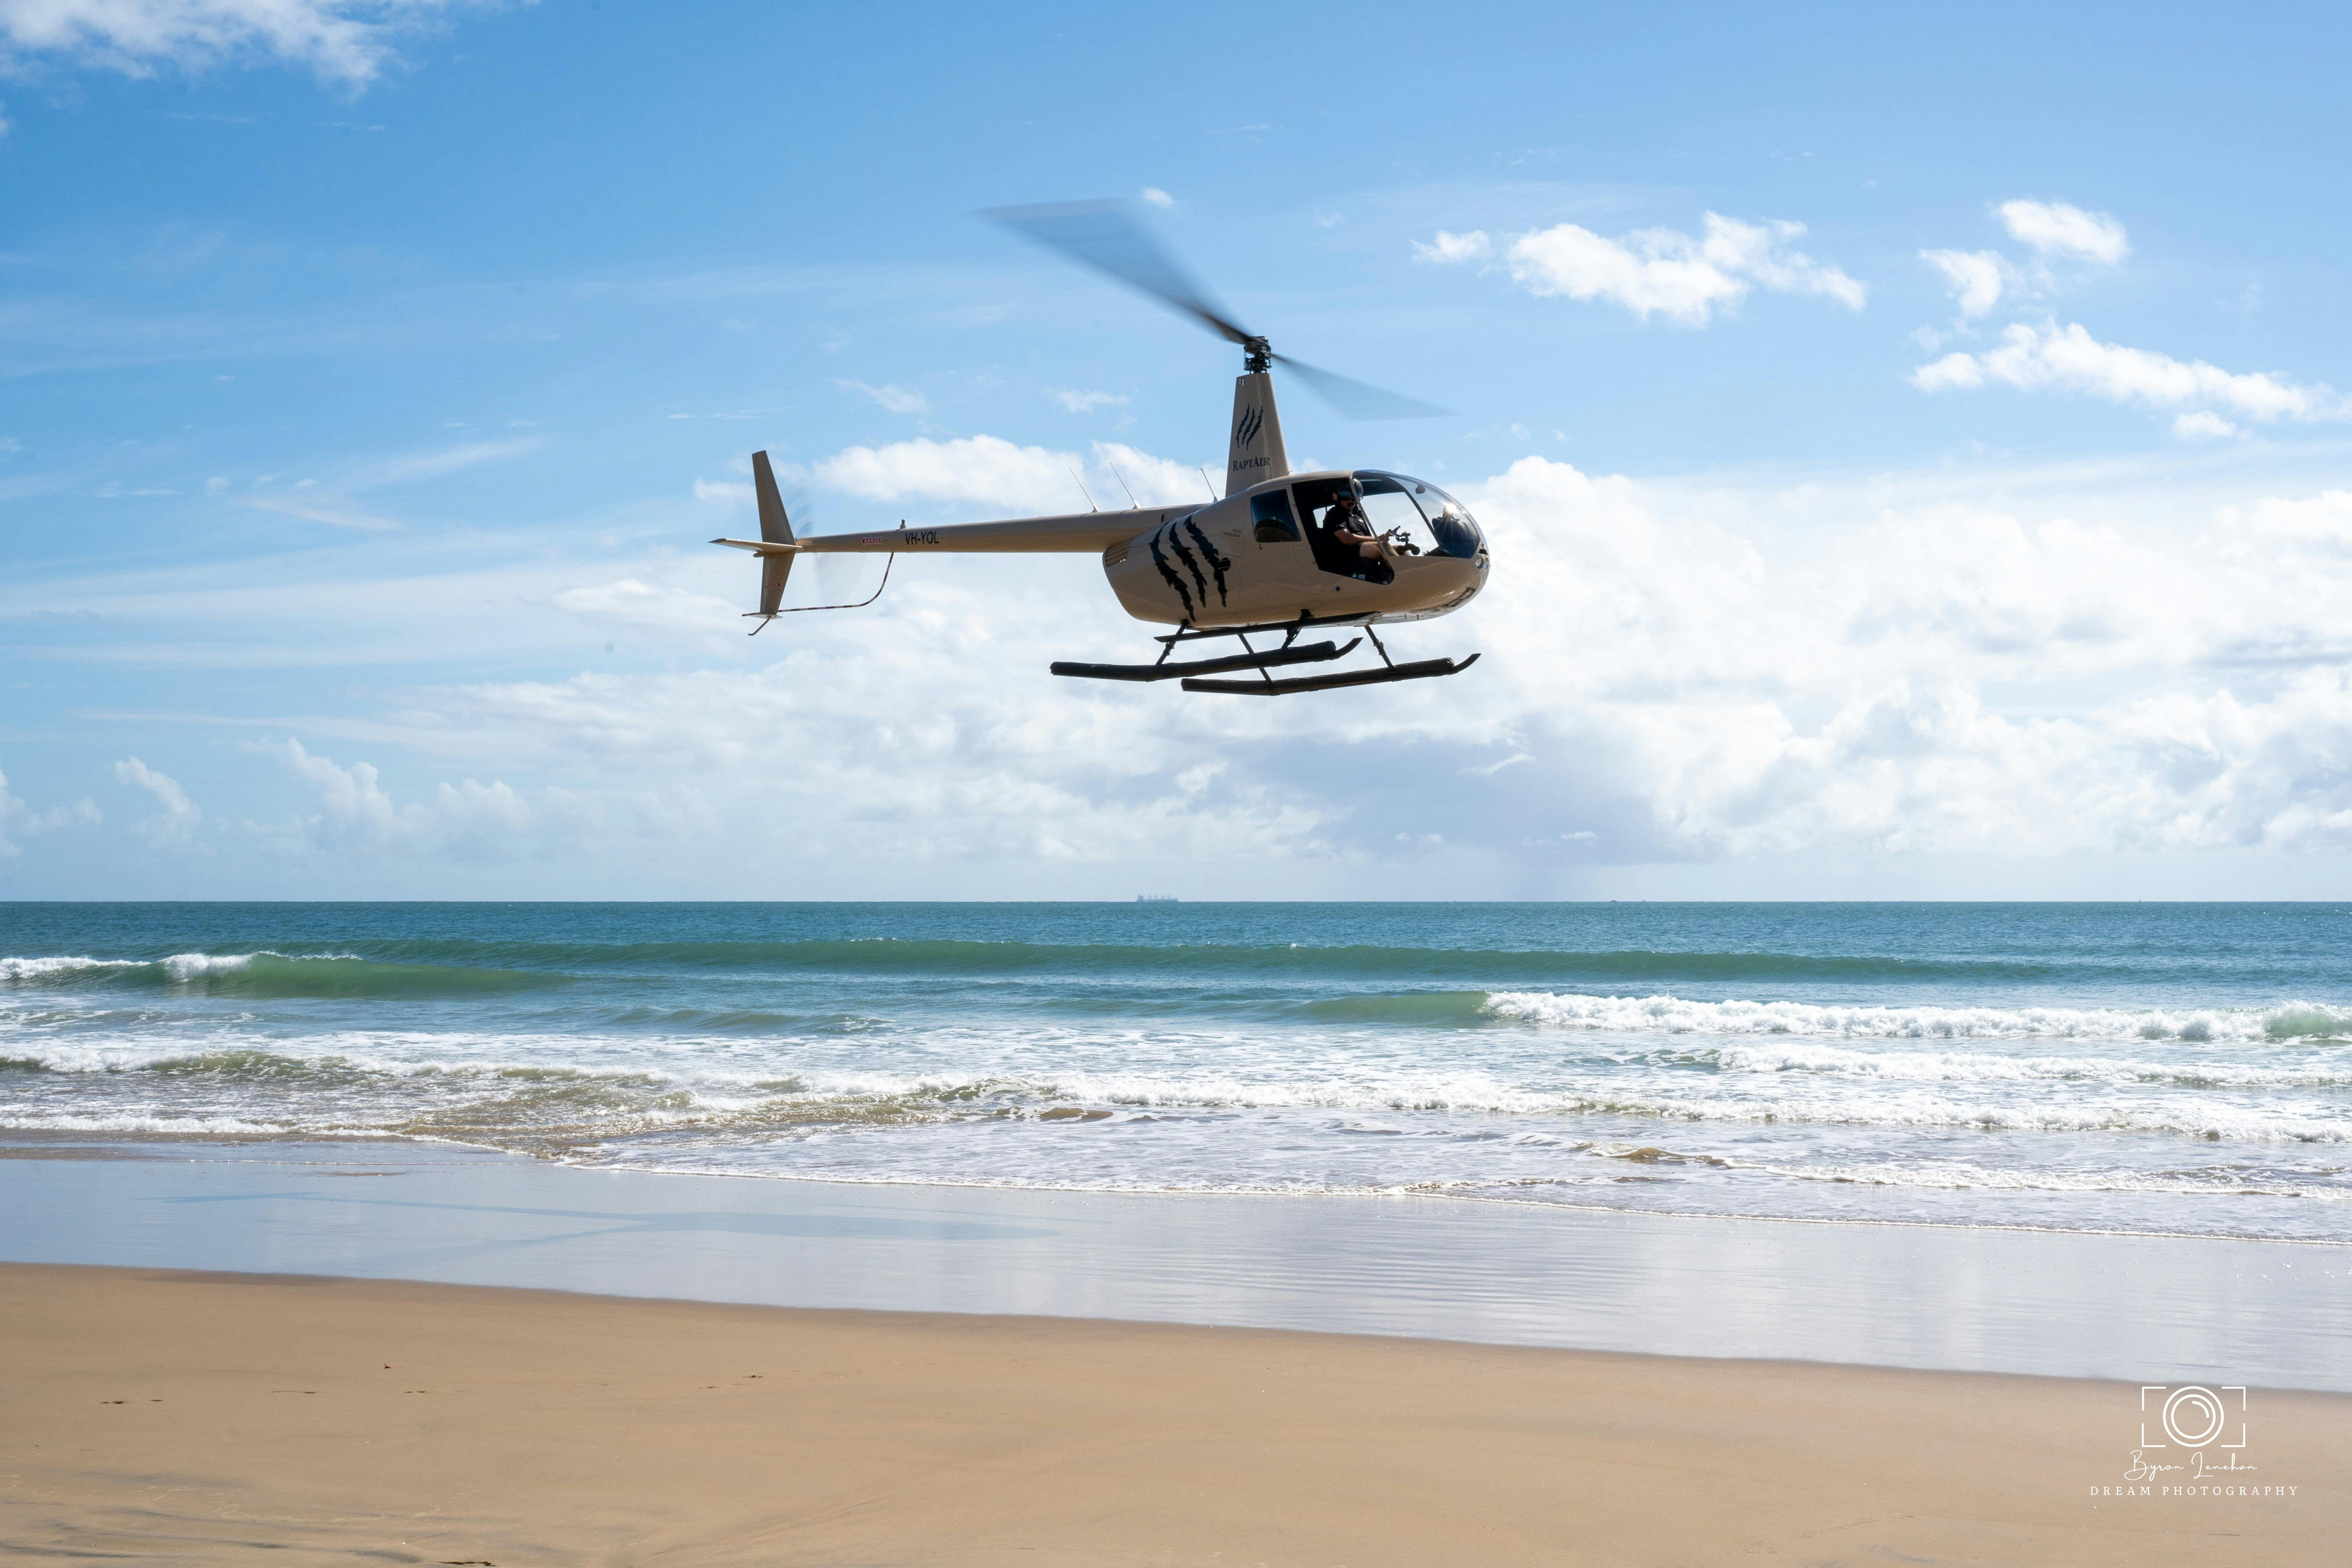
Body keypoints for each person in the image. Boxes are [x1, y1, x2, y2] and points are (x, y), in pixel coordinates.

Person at [1326, 492, 1389, 564]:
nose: (1352, 502)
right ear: (1338, 498)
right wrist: (1377, 539)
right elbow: (1346, 539)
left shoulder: (1358, 515)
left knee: (1398, 549)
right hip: (1344, 556)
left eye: (1355, 498)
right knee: (1378, 548)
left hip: (1360, 551)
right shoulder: (1334, 514)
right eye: (1349, 498)